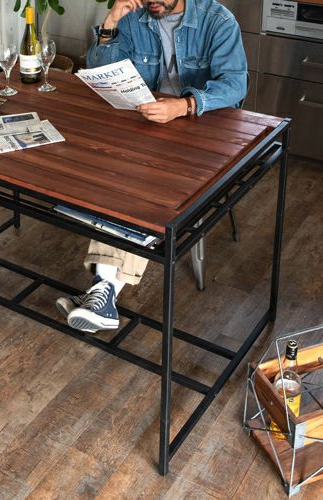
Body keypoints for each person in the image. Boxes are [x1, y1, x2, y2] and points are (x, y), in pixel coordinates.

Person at [56, 0, 247, 334]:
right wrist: (111, 22)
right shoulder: (135, 17)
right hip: (146, 128)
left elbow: (235, 85)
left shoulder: (218, 20)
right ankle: (102, 294)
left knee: (140, 188)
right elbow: (100, 72)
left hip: (198, 133)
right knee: (114, 177)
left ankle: (103, 289)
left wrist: (184, 106)